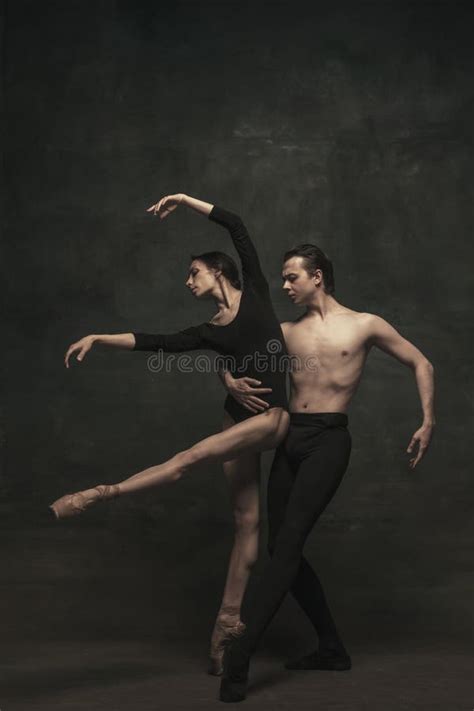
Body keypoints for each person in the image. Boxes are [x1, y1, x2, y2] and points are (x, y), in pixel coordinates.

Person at [49, 193, 290, 674]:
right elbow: (154, 342)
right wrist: (100, 337)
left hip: (272, 418)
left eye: (193, 272)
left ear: (219, 271)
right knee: (247, 525)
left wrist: (182, 199)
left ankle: (101, 493)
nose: (188, 282)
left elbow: (236, 224)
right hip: (235, 418)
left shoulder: (259, 292)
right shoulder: (209, 330)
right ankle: (226, 626)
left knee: (184, 462)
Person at [219, 243, 435, 703]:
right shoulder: (285, 332)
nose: (284, 285)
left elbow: (422, 362)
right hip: (289, 438)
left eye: (291, 277)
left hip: (329, 441)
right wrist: (228, 379)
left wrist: (427, 420)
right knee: (282, 548)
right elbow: (224, 343)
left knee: (288, 547)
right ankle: (332, 648)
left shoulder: (364, 325)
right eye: (280, 278)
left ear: (317, 277)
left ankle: (239, 657)